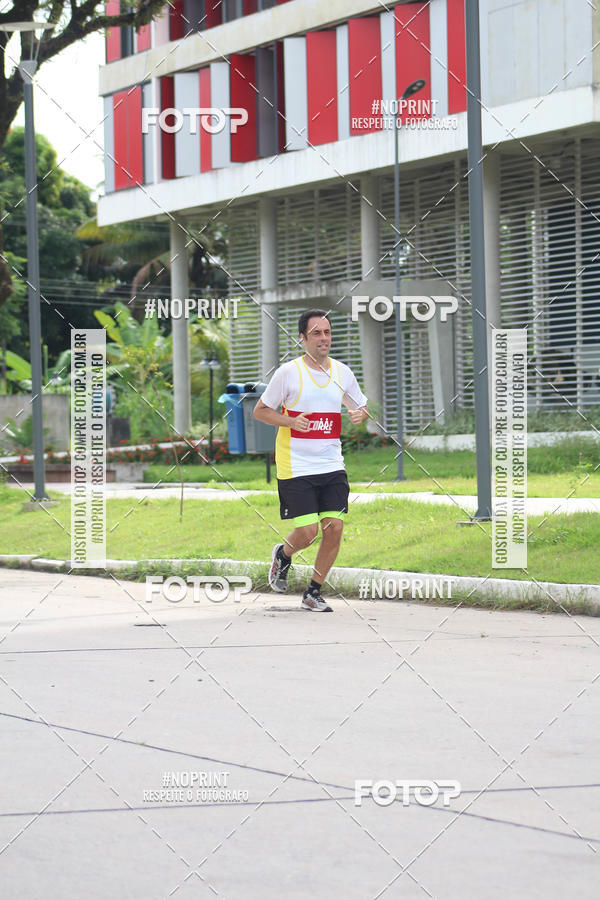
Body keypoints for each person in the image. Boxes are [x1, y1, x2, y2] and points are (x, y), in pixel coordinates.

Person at [253, 309, 369, 612]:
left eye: (327, 332)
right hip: (296, 465)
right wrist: (291, 422)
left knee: (334, 528)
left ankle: (313, 592)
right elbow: (260, 411)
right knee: (308, 533)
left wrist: (360, 414)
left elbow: (361, 406)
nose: (323, 338)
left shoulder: (342, 373)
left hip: (331, 464)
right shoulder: (288, 373)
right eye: (316, 333)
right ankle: (283, 555)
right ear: (303, 338)